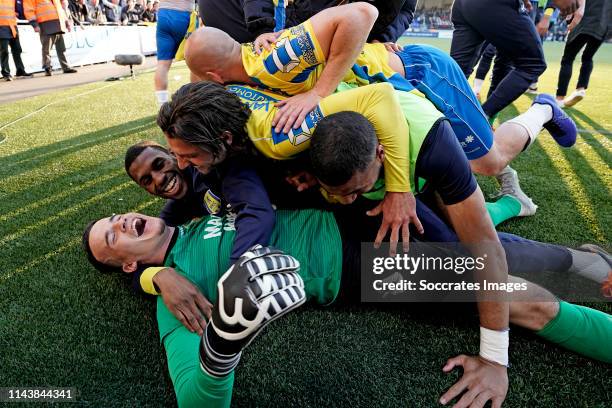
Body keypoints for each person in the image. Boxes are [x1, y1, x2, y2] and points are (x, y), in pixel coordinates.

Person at [82, 209, 612, 407]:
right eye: (112, 235)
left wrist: (154, 273)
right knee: (527, 302)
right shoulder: (177, 298)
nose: (123, 220)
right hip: (361, 266)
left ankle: (528, 222)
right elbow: (196, 401)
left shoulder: (190, 210)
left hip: (367, 209)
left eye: (116, 215)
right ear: (125, 267)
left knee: (508, 251)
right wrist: (223, 342)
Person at [183, 2, 577, 205]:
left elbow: (362, 13)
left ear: (214, 77)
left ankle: (544, 109)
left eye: (197, 77)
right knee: (452, 163)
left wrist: (319, 92)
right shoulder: (252, 71)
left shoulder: (273, 59)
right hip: (398, 85)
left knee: (486, 162)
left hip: (422, 73)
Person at [555, 0, 611, 108]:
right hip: (603, 26)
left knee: (568, 59)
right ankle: (581, 89)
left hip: (583, 22)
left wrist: (569, 20)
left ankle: (559, 98)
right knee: (588, 57)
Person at [153, 0, 192, 105]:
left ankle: (162, 105)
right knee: (193, 61)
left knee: (162, 64)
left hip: (163, 14)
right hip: (184, 14)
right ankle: (196, 102)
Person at [23, 0, 77, 75]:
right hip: (45, 24)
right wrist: (34, 24)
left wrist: (66, 22)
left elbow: (59, 9)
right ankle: (47, 68)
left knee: (61, 48)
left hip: (58, 24)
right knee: (46, 49)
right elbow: (29, 10)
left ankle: (66, 67)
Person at [0, 0, 32, 80]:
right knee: (4, 51)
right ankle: (6, 73)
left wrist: (18, 13)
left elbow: (19, 12)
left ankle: (20, 71)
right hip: (1, 28)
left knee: (17, 49)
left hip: (12, 27)